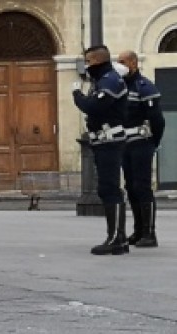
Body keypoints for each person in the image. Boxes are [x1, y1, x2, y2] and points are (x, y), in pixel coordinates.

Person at [72, 45, 129, 255]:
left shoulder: (110, 80)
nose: (86, 66)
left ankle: (115, 238)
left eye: (88, 62)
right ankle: (119, 238)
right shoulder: (103, 80)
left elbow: (93, 107)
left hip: (110, 140)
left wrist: (77, 94)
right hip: (103, 140)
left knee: (110, 188)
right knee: (107, 188)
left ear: (96, 61)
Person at [117, 50, 165, 248]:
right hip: (125, 143)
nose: (119, 65)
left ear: (133, 64)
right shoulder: (120, 87)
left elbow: (157, 119)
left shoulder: (144, 86)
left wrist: (154, 142)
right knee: (130, 187)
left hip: (142, 142)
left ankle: (149, 232)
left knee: (142, 186)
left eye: (122, 62)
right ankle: (138, 231)